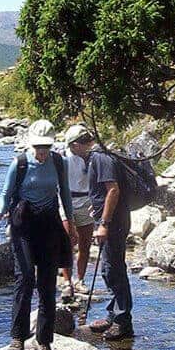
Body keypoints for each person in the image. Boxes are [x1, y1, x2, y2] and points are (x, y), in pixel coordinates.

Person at [0, 119, 76, 350]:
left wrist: (72, 223)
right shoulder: (20, 163)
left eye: (46, 146)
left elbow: (65, 193)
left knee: (48, 284)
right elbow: (5, 195)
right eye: (38, 146)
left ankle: (44, 342)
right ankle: (17, 337)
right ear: (31, 144)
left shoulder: (59, 162)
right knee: (25, 278)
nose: (42, 151)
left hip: (49, 224)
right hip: (23, 226)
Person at [84, 139, 134, 340]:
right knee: (109, 268)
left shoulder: (100, 158)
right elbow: (104, 192)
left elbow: (113, 190)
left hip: (114, 222)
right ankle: (114, 315)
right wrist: (96, 207)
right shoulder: (100, 156)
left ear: (77, 145)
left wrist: (103, 223)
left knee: (114, 269)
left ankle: (123, 322)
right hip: (114, 219)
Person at [59, 124, 96, 301]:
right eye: (84, 143)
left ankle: (79, 280)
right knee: (68, 242)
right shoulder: (62, 159)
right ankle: (67, 282)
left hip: (86, 201)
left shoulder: (91, 158)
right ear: (74, 145)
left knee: (85, 244)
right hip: (66, 202)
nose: (88, 145)